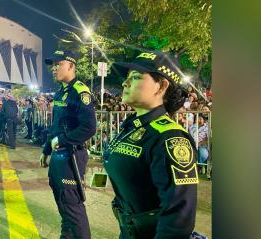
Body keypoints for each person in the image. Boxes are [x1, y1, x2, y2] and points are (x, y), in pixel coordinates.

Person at [105, 51, 198, 238]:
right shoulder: (132, 126)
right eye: (127, 77)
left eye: (136, 77)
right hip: (129, 231)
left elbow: (178, 217)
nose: (125, 82)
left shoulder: (170, 137)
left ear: (162, 86)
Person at [39, 50, 96, 239]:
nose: (54, 68)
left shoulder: (80, 91)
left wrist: (62, 141)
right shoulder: (59, 93)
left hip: (72, 155)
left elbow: (89, 128)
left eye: (58, 64)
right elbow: (54, 126)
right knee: (63, 205)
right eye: (53, 65)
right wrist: (46, 149)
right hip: (58, 156)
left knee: (73, 207)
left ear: (71, 66)